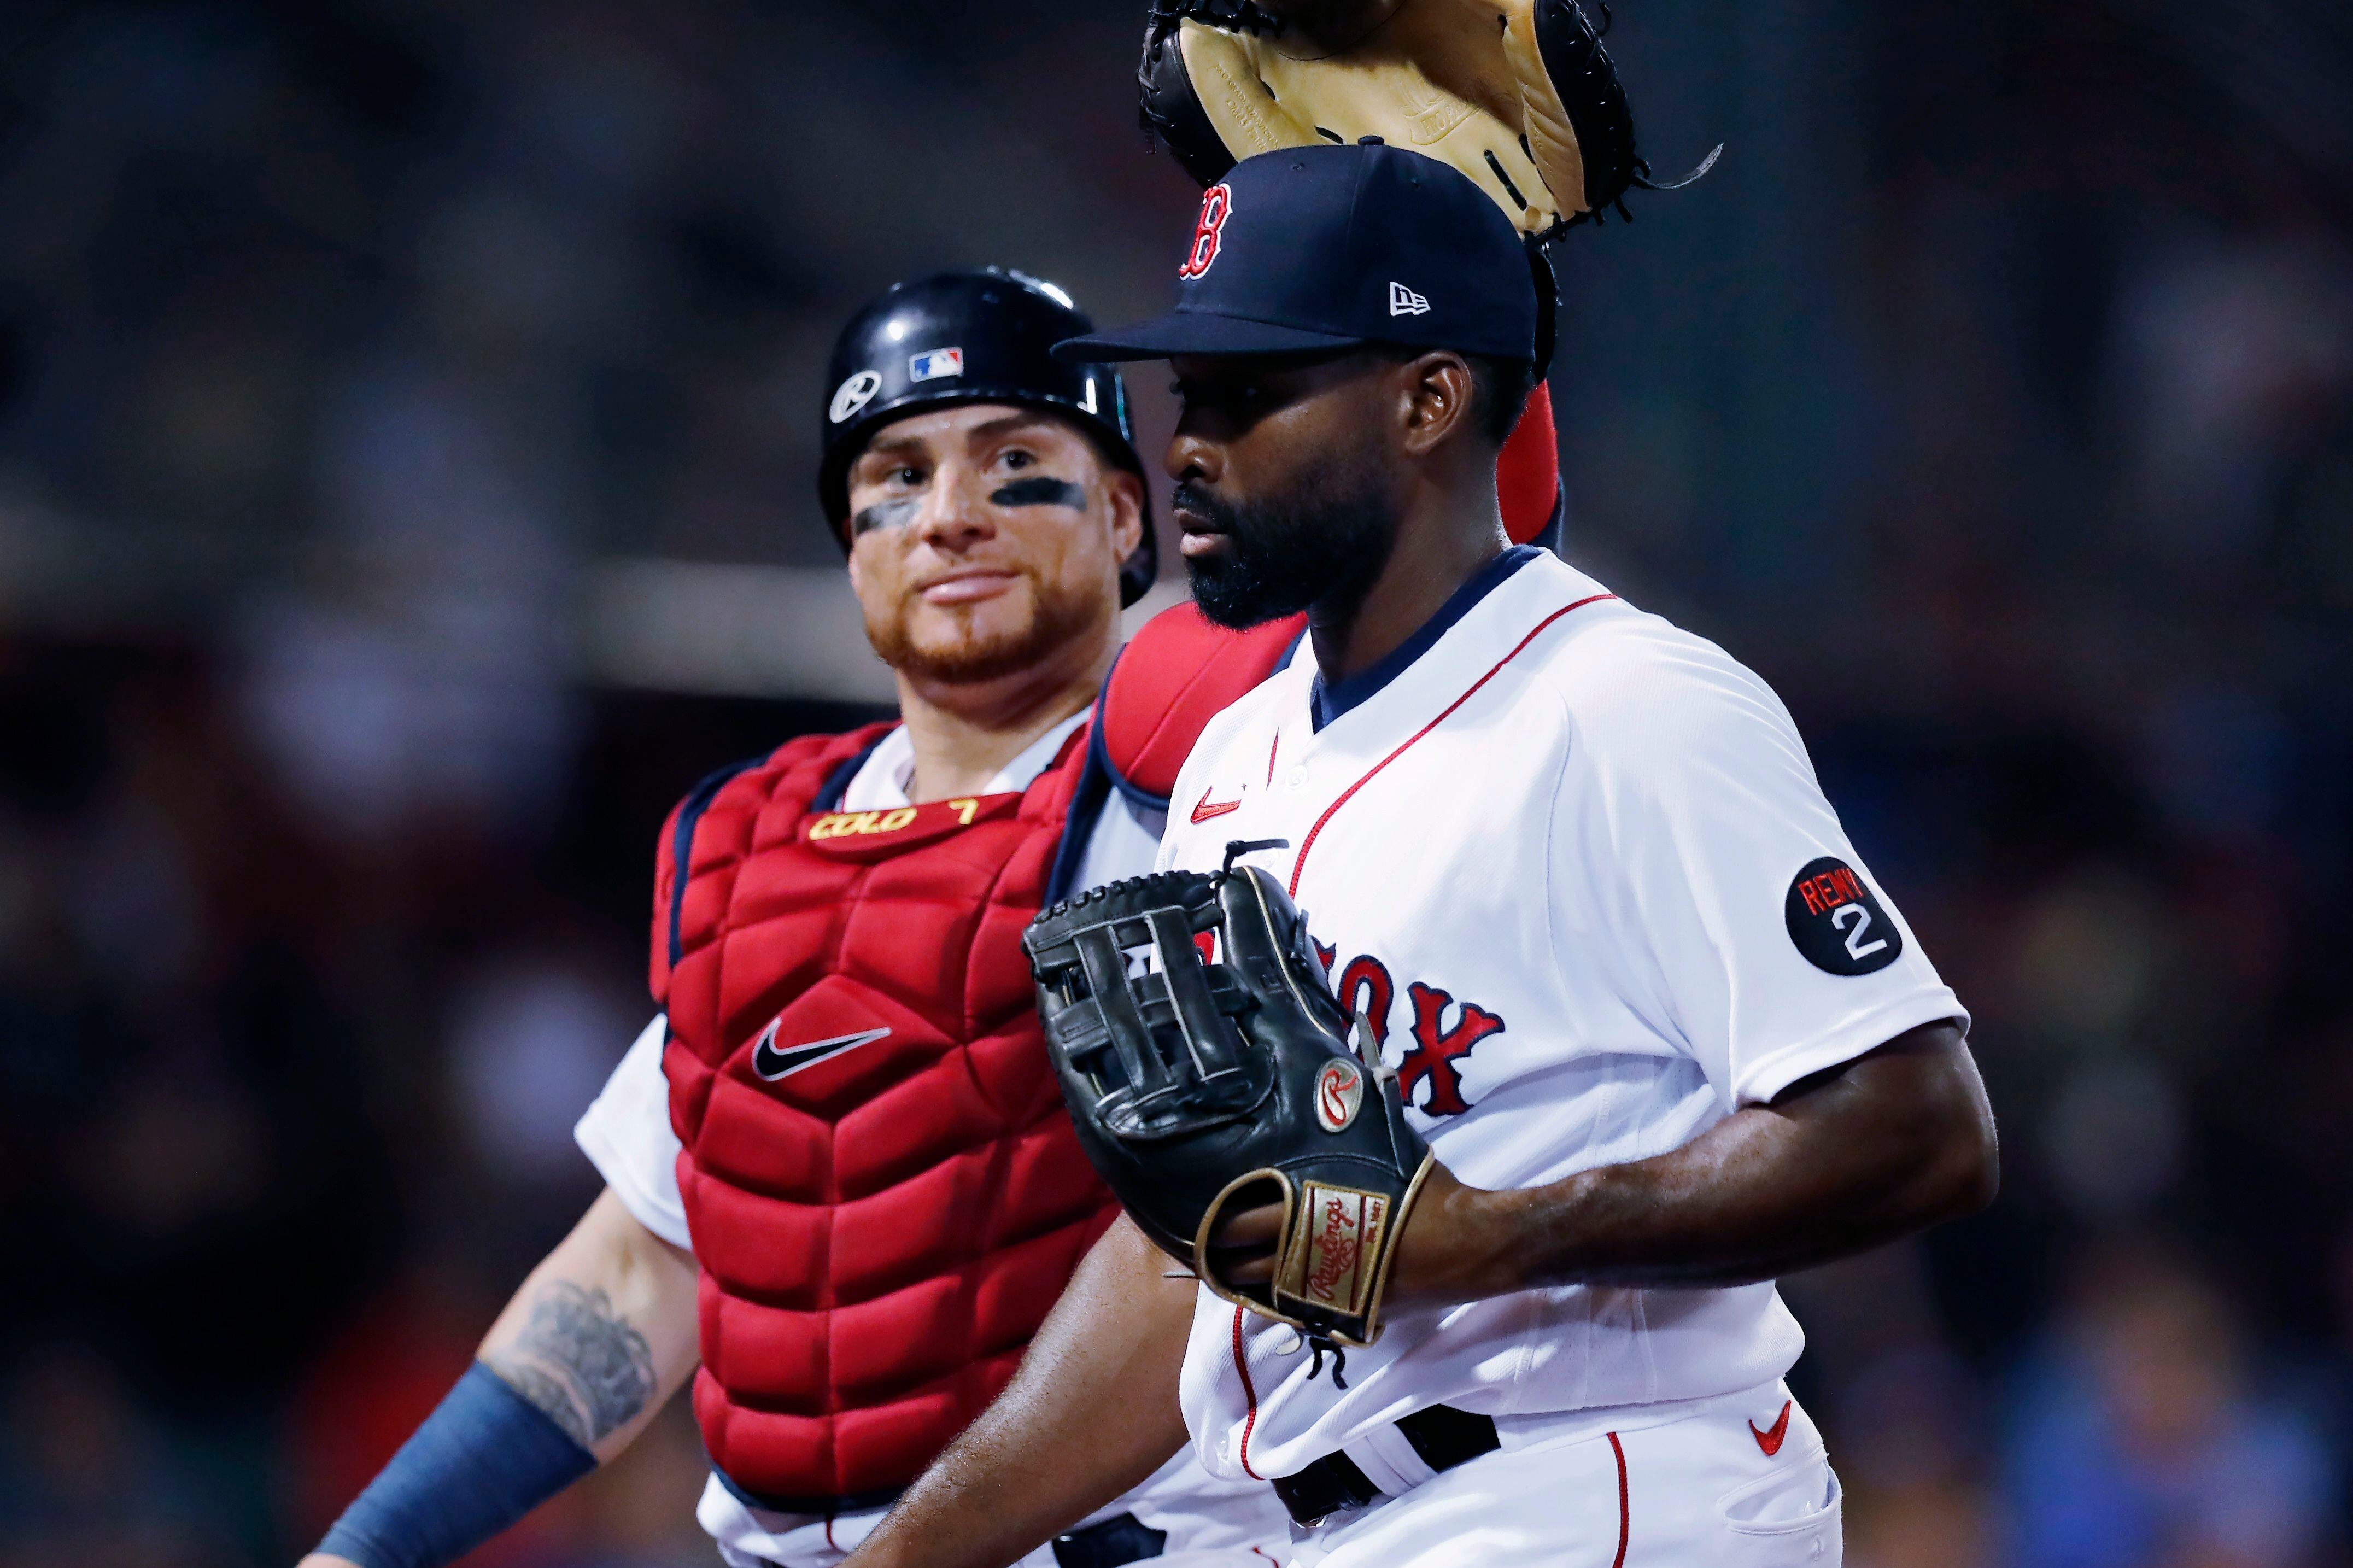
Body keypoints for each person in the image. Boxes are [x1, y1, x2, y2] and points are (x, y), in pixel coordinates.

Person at [296, 264, 1567, 1568]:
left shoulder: (1220, 777)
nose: (949, 516)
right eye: (894, 477)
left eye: (1015, 461)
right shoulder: (751, 847)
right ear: (849, 549)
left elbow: (1466, 568)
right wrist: (369, 1550)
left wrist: (1467, 269)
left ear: (1131, 518)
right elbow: (640, 1266)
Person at [839, 145, 2001, 1568]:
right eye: (1186, 395)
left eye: (1252, 394)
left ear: (1428, 399)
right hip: (1328, 1517)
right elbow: (1184, 1258)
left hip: (1593, 1480)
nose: (1189, 443)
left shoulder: (1623, 706)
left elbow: (1920, 1121)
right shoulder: (1235, 763)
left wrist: (1495, 1235)